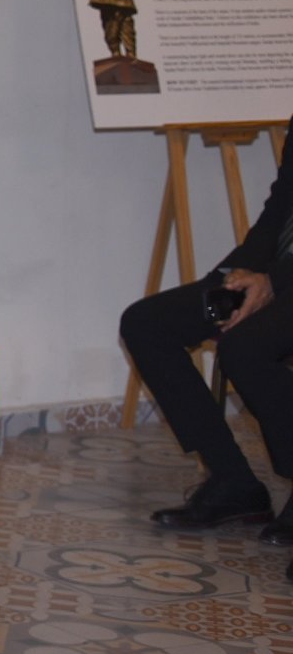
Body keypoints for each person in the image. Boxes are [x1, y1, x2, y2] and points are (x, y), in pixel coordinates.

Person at [120, 124, 293, 569]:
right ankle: (234, 481)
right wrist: (237, 274)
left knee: (244, 348)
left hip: (284, 280)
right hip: (278, 274)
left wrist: (273, 282)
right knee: (146, 324)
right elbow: (280, 209)